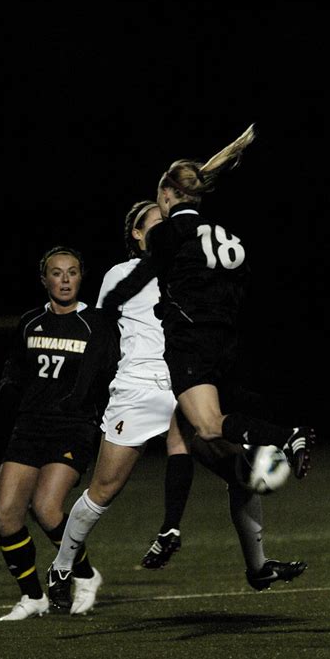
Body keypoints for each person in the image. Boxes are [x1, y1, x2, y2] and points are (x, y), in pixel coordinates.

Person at [47, 201, 307, 610]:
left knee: (242, 473)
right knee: (103, 490)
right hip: (136, 387)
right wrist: (82, 396)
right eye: (155, 224)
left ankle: (256, 567)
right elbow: (100, 337)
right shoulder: (121, 273)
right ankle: (62, 567)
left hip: (182, 383)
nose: (167, 229)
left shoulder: (185, 268)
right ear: (136, 234)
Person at [99, 124, 315, 477]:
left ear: (169, 193)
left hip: (191, 344)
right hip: (225, 343)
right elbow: (235, 286)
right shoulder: (225, 236)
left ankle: (287, 435)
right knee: (194, 431)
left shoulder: (168, 233)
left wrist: (110, 306)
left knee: (209, 426)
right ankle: (171, 529)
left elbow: (142, 276)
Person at [0, 246, 119, 621]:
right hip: (30, 425)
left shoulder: (97, 323)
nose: (64, 280)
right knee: (5, 514)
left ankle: (84, 573)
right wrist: (8, 389)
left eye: (72, 272)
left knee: (47, 509)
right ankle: (33, 597)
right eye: (57, 272)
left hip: (73, 426)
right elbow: (15, 368)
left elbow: (110, 374)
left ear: (82, 277)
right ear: (44, 278)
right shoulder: (30, 322)